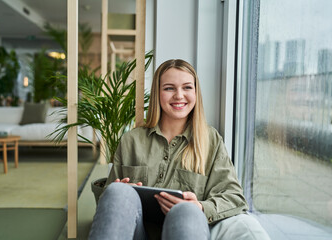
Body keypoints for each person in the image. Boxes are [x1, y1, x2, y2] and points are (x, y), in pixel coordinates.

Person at [88, 59, 270, 240]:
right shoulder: (131, 140)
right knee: (117, 192)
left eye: (187, 87)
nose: (179, 95)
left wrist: (200, 207)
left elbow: (234, 197)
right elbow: (106, 199)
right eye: (169, 88)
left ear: (196, 92)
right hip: (139, 233)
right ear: (157, 94)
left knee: (185, 211)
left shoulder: (210, 140)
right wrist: (123, 190)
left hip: (186, 228)